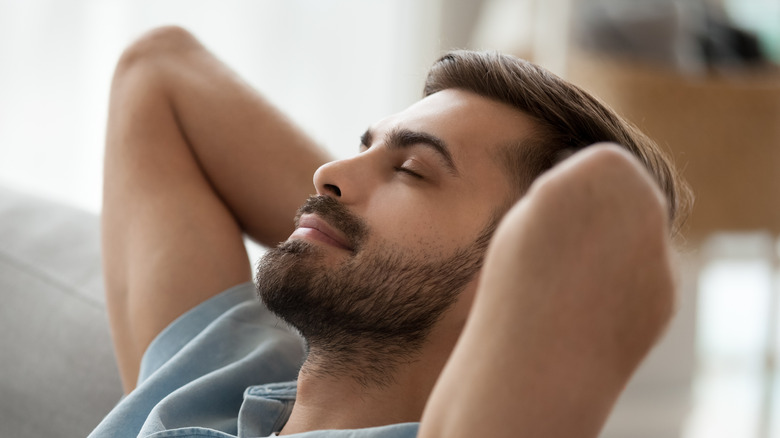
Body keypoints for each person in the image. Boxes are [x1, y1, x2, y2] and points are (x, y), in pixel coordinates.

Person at [91, 26, 691, 438]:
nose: (326, 173)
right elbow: (159, 68)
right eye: (364, 146)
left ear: (519, 268)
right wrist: (355, 235)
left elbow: (610, 198)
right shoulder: (215, 381)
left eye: (411, 169)